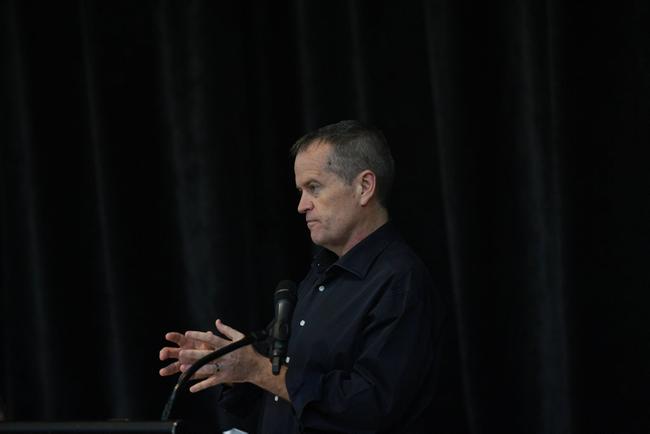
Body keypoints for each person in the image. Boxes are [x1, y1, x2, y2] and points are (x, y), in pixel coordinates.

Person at [159, 120, 445, 433]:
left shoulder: (399, 282)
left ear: (364, 187)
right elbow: (278, 392)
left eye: (314, 188)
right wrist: (230, 366)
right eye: (300, 190)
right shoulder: (320, 275)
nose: (301, 205)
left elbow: (371, 407)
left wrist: (258, 369)